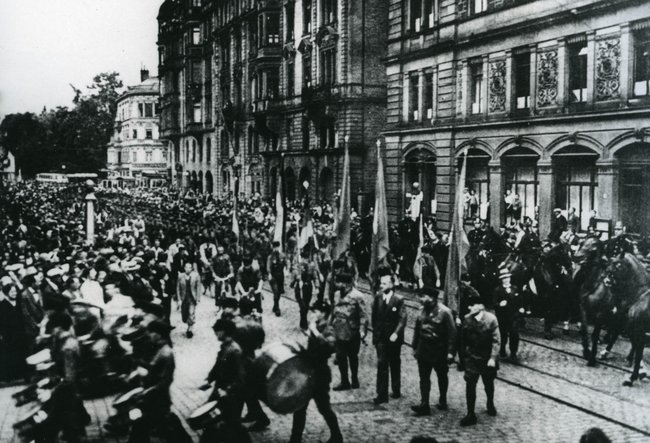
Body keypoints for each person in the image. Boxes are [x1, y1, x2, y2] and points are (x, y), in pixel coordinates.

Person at [127, 320, 192, 443]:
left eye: (151, 333)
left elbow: (165, 381)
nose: (149, 335)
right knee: (144, 422)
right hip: (154, 395)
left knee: (162, 423)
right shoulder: (160, 349)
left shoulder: (166, 353)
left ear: (158, 334)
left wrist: (146, 392)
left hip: (157, 396)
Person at [289, 301, 342, 443]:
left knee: (324, 408)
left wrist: (315, 332)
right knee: (300, 408)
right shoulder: (317, 327)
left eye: (315, 312)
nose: (312, 314)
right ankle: (295, 439)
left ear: (323, 313)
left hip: (320, 376)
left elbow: (330, 346)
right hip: (309, 374)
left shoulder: (328, 328)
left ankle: (337, 436)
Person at [42, 311, 90, 443]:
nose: (51, 331)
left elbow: (69, 376)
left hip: (66, 388)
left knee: (60, 416)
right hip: (70, 387)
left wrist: (54, 389)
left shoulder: (66, 347)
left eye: (52, 328)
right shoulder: (68, 340)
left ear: (58, 328)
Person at [200, 318, 250, 443]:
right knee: (213, 421)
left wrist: (227, 391)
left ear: (223, 332)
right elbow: (218, 366)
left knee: (231, 425)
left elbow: (241, 377)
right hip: (221, 391)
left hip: (231, 396)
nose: (215, 334)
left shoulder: (234, 351)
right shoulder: (225, 347)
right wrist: (209, 379)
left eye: (217, 331)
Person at [411, 287, 456, 416]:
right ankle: (424, 404)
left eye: (423, 296)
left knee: (442, 376)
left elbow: (452, 334)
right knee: (424, 378)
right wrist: (414, 347)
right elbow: (417, 329)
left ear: (432, 298)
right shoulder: (422, 311)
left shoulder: (445, 312)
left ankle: (443, 399)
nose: (420, 299)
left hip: (439, 351)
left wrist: (451, 352)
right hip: (423, 349)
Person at [459, 294, 500, 426]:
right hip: (472, 357)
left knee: (488, 383)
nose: (469, 307)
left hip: (487, 357)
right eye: (469, 305)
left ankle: (490, 403)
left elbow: (496, 340)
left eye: (472, 305)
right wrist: (462, 358)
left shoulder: (491, 319)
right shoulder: (467, 319)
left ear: (481, 307)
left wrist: (493, 358)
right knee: (470, 385)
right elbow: (462, 339)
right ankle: (471, 413)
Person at [330, 259, 368, 391]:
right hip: (339, 331)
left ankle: (355, 379)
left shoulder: (358, 296)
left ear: (345, 284)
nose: (336, 285)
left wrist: (363, 331)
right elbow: (333, 311)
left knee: (353, 357)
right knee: (340, 357)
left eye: (338, 282)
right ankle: (344, 381)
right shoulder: (336, 295)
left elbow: (363, 315)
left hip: (352, 331)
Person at [371, 266, 407, 404]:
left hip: (393, 338)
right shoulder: (378, 297)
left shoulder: (399, 300)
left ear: (392, 284)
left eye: (385, 283)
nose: (381, 286)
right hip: (381, 337)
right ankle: (382, 395)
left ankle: (396, 389)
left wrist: (396, 333)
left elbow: (402, 318)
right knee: (381, 364)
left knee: (394, 362)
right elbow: (374, 317)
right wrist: (375, 334)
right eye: (381, 283)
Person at [492, 268, 523, 363]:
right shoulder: (497, 290)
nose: (506, 280)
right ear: (501, 280)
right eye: (504, 278)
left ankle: (513, 352)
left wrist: (521, 308)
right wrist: (499, 304)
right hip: (502, 317)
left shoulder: (515, 288)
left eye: (507, 278)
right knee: (503, 335)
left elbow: (520, 301)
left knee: (514, 334)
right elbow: (494, 303)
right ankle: (502, 350)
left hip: (514, 316)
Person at [292, 249, 319, 330]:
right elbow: (295, 273)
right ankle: (303, 323)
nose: (305, 260)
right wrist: (299, 280)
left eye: (306, 258)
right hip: (300, 288)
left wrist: (317, 287)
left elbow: (315, 277)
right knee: (302, 305)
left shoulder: (311, 266)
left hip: (308, 287)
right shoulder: (298, 265)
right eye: (304, 258)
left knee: (306, 306)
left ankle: (303, 320)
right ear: (302, 258)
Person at [176, 261, 200, 337]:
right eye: (186, 267)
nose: (188, 269)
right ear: (184, 268)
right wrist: (179, 299)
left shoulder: (196, 275)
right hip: (184, 298)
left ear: (192, 268)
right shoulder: (180, 276)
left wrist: (198, 298)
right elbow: (178, 288)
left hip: (192, 297)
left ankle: (190, 328)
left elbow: (198, 287)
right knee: (184, 315)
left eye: (190, 267)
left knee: (191, 312)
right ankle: (189, 324)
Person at [266, 241, 286, 316]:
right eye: (274, 247)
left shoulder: (282, 255)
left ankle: (275, 305)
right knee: (276, 291)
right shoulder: (270, 257)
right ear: (273, 247)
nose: (276, 249)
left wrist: (287, 267)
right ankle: (277, 308)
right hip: (273, 276)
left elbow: (286, 263)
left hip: (280, 276)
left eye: (277, 247)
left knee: (279, 292)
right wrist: (269, 273)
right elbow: (268, 266)